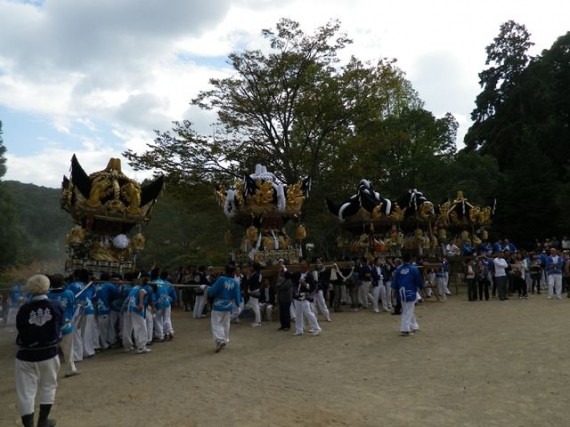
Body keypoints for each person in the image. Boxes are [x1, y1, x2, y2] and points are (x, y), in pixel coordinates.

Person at [15, 274, 64, 427]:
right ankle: (43, 421)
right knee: (48, 386)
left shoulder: (24, 309)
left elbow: (20, 328)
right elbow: (60, 325)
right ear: (47, 287)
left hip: (25, 355)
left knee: (26, 393)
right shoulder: (55, 306)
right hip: (48, 353)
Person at [46, 274, 80, 378]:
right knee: (68, 349)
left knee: (51, 350)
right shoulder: (69, 293)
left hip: (51, 327)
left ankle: (51, 373)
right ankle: (71, 368)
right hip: (66, 325)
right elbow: (73, 306)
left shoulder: (47, 295)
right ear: (63, 282)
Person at [207, 264, 242, 352]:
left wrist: (207, 289)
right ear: (234, 272)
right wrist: (238, 305)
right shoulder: (235, 282)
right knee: (226, 324)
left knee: (216, 323)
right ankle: (225, 340)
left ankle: (220, 340)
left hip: (218, 305)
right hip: (228, 305)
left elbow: (212, 292)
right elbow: (237, 296)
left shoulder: (221, 279)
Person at [285, 258, 322, 336]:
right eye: (301, 263)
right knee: (298, 313)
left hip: (305, 297)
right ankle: (299, 329)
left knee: (308, 312)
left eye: (304, 263)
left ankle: (317, 328)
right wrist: (283, 268)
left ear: (307, 266)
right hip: (297, 296)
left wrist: (305, 284)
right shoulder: (297, 274)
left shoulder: (310, 275)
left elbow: (312, 288)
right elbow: (289, 275)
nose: (302, 264)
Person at [390, 253, 424, 336]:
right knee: (407, 311)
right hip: (410, 291)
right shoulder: (414, 269)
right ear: (411, 259)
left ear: (402, 260)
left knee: (407, 309)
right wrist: (421, 290)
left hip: (401, 293)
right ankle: (405, 329)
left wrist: (394, 291)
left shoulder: (398, 270)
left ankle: (415, 326)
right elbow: (419, 281)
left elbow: (395, 282)